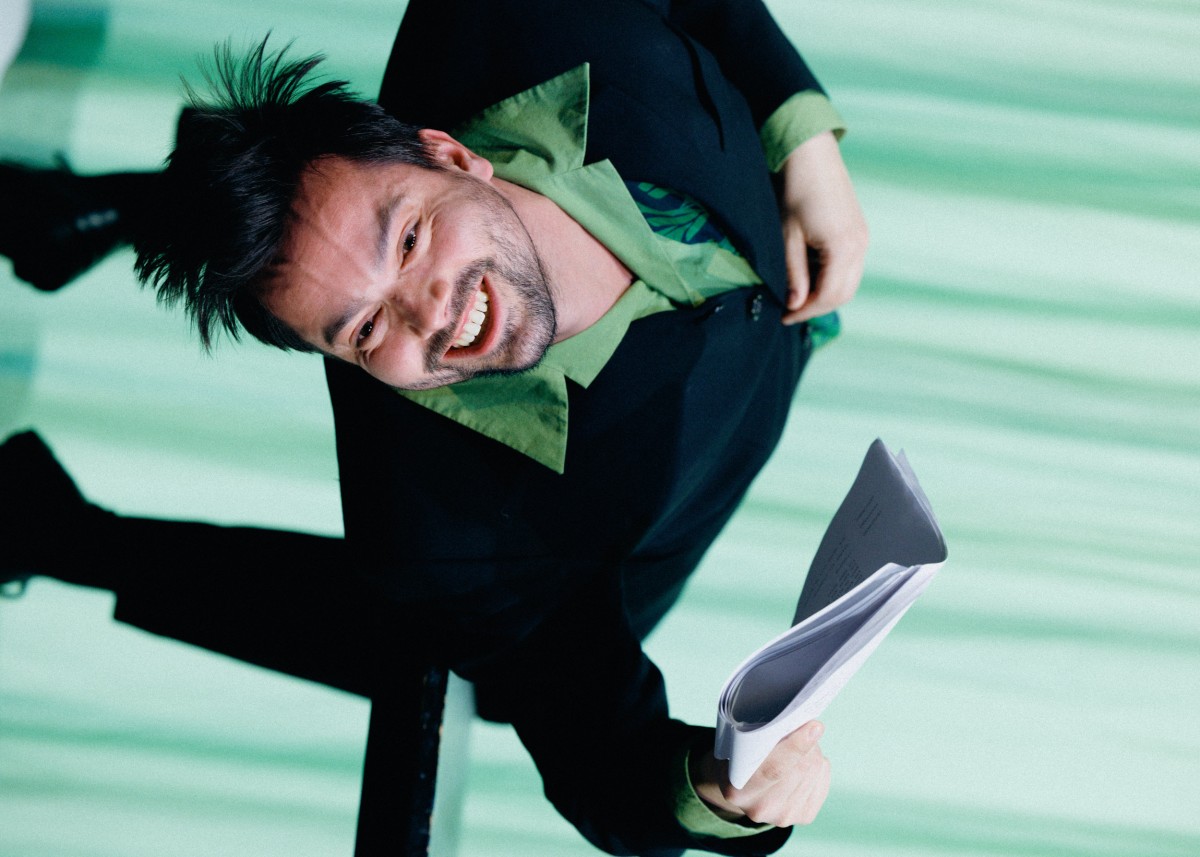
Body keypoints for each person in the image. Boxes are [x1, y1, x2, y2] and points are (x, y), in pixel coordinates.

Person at [0, 1, 868, 854]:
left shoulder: (499, 24)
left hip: (738, 284)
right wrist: (721, 788)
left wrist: (801, 135)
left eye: (411, 240)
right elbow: (598, 750)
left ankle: (118, 220)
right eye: (365, 330)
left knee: (302, 237)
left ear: (452, 154)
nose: (433, 312)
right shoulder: (447, 538)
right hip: (559, 557)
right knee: (436, 634)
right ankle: (62, 528)